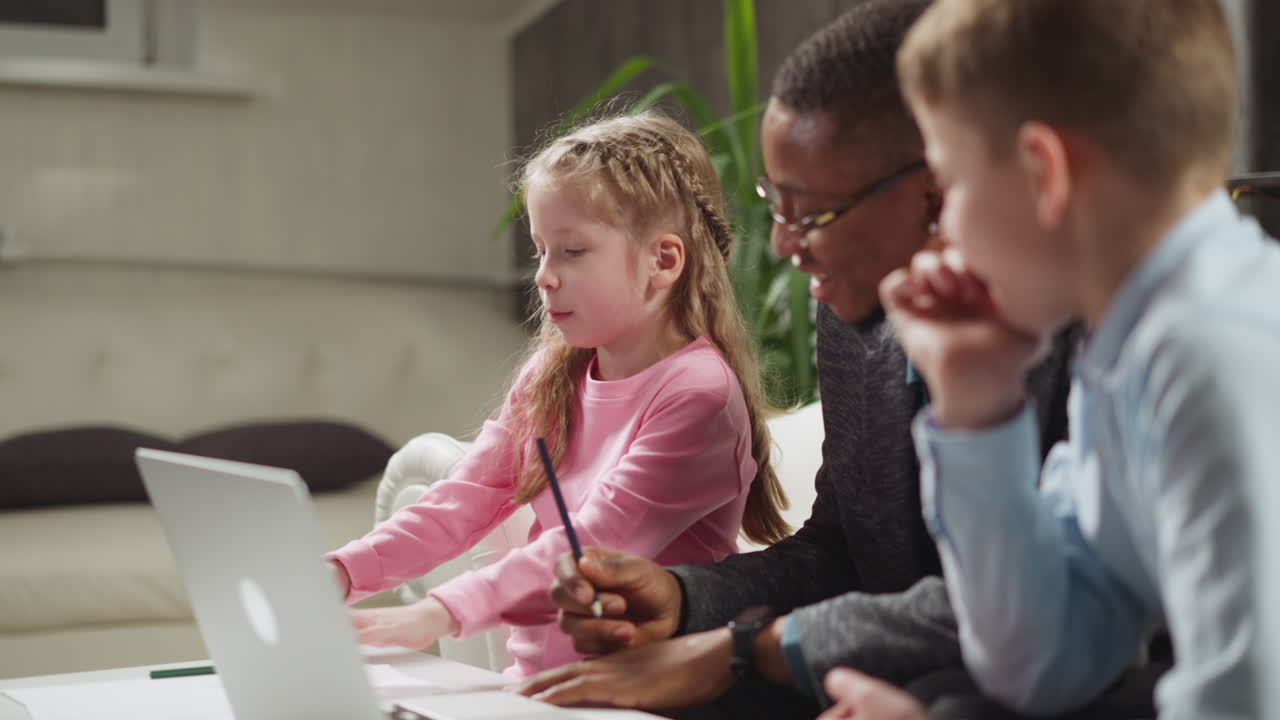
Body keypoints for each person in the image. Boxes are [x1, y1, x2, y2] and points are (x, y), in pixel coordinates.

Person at [514, 2, 1133, 718]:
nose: (780, 244)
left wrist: (748, 650)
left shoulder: (1096, 335)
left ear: (935, 187)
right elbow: (842, 550)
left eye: (811, 212)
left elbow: (1032, 610)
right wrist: (684, 597)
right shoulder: (854, 323)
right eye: (772, 202)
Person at [826, 0, 1279, 718]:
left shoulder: (1206, 357)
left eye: (949, 188)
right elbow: (1044, 667)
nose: (942, 233)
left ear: (1044, 174)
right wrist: (976, 404)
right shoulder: (1127, 349)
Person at [326, 110, 790, 679]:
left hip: (653, 693)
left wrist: (437, 614)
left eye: (571, 251)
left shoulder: (698, 395)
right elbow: (465, 497)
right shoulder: (552, 374)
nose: (545, 275)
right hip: (539, 687)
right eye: (541, 250)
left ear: (663, 260)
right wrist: (342, 573)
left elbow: (592, 545)